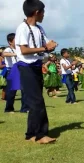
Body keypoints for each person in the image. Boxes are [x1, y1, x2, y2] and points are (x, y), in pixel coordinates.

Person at [13, 0, 57, 143]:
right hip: (26, 66)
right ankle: (40, 135)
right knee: (37, 101)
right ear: (36, 12)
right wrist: (45, 48)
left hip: (37, 65)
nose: (44, 15)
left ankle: (30, 134)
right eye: (43, 12)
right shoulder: (22, 28)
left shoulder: (39, 28)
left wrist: (51, 46)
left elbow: (46, 44)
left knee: (35, 101)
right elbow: (24, 50)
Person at [2, 33, 29, 113]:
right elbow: (4, 54)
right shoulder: (8, 49)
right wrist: (15, 54)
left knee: (24, 90)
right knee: (12, 92)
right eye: (15, 39)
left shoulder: (20, 49)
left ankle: (24, 108)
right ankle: (9, 109)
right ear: (10, 42)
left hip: (21, 70)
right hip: (12, 71)